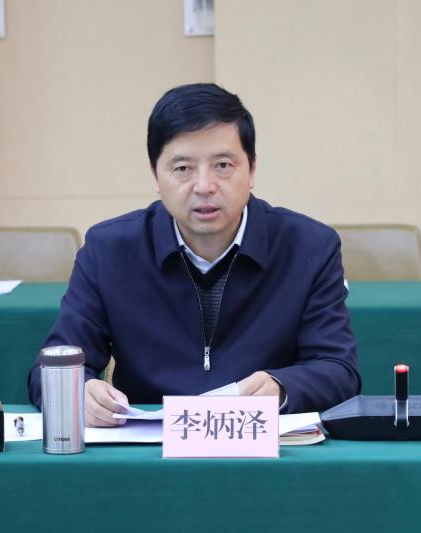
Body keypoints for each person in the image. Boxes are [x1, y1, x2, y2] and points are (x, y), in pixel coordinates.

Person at [28, 83, 360, 427]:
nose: (204, 186)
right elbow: (49, 369)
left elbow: (338, 369)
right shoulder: (109, 249)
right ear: (155, 175)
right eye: (183, 168)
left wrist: (282, 387)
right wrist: (79, 392)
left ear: (252, 170)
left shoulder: (309, 247)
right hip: (149, 442)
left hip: (262, 440)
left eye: (223, 165)